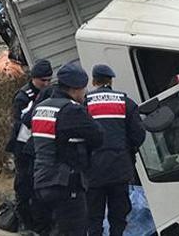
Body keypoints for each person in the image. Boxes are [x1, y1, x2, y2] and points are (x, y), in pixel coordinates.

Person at [32, 62, 103, 236]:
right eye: (83, 89)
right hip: (65, 182)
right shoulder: (71, 110)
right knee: (74, 230)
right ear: (75, 89)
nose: (84, 93)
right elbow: (98, 136)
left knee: (54, 230)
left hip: (41, 179)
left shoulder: (42, 107)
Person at [85, 64, 146, 236]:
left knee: (94, 216)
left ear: (93, 81)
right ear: (111, 81)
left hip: (93, 171)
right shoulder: (125, 102)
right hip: (120, 168)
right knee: (118, 215)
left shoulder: (85, 103)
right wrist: (127, 150)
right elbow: (139, 135)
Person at [5, 59, 53, 234]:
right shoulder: (23, 97)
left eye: (49, 80)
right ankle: (24, 222)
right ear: (34, 78)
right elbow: (21, 122)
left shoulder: (49, 92)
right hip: (23, 147)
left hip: (39, 147)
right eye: (43, 80)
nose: (46, 84)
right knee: (24, 186)